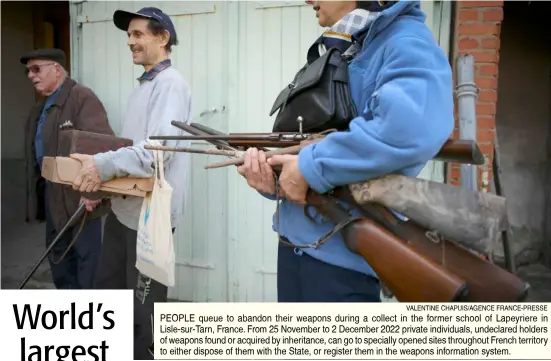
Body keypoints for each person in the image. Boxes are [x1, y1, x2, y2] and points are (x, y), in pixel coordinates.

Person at [237, 0, 455, 302]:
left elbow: (408, 130)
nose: (308, 0)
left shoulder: (405, 41)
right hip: (295, 246)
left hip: (342, 263)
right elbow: (325, 150)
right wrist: (277, 179)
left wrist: (310, 167)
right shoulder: (353, 46)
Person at [68, 7, 192, 360]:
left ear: (162, 38)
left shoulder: (170, 86)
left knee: (145, 312)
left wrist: (98, 167)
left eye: (138, 35)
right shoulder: (145, 86)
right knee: (113, 297)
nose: (130, 42)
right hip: (125, 213)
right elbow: (130, 151)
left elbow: (155, 154)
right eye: (129, 36)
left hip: (150, 219)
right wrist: (102, 187)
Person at [22, 48, 114, 290]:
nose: (31, 75)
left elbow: (102, 145)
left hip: (80, 194)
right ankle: (70, 317)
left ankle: (92, 319)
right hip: (53, 193)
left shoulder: (81, 97)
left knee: (87, 264)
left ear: (56, 69)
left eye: (36, 69)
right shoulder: (41, 107)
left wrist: (93, 193)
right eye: (28, 71)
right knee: (60, 260)